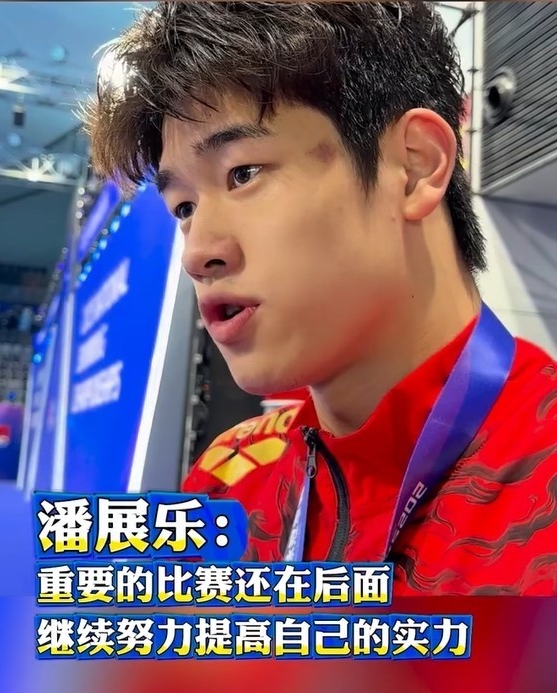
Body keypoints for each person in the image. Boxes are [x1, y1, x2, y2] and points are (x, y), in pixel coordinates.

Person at [86, 2, 557, 595]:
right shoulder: (229, 477)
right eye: (184, 207)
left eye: (243, 174)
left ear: (414, 167)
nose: (197, 252)